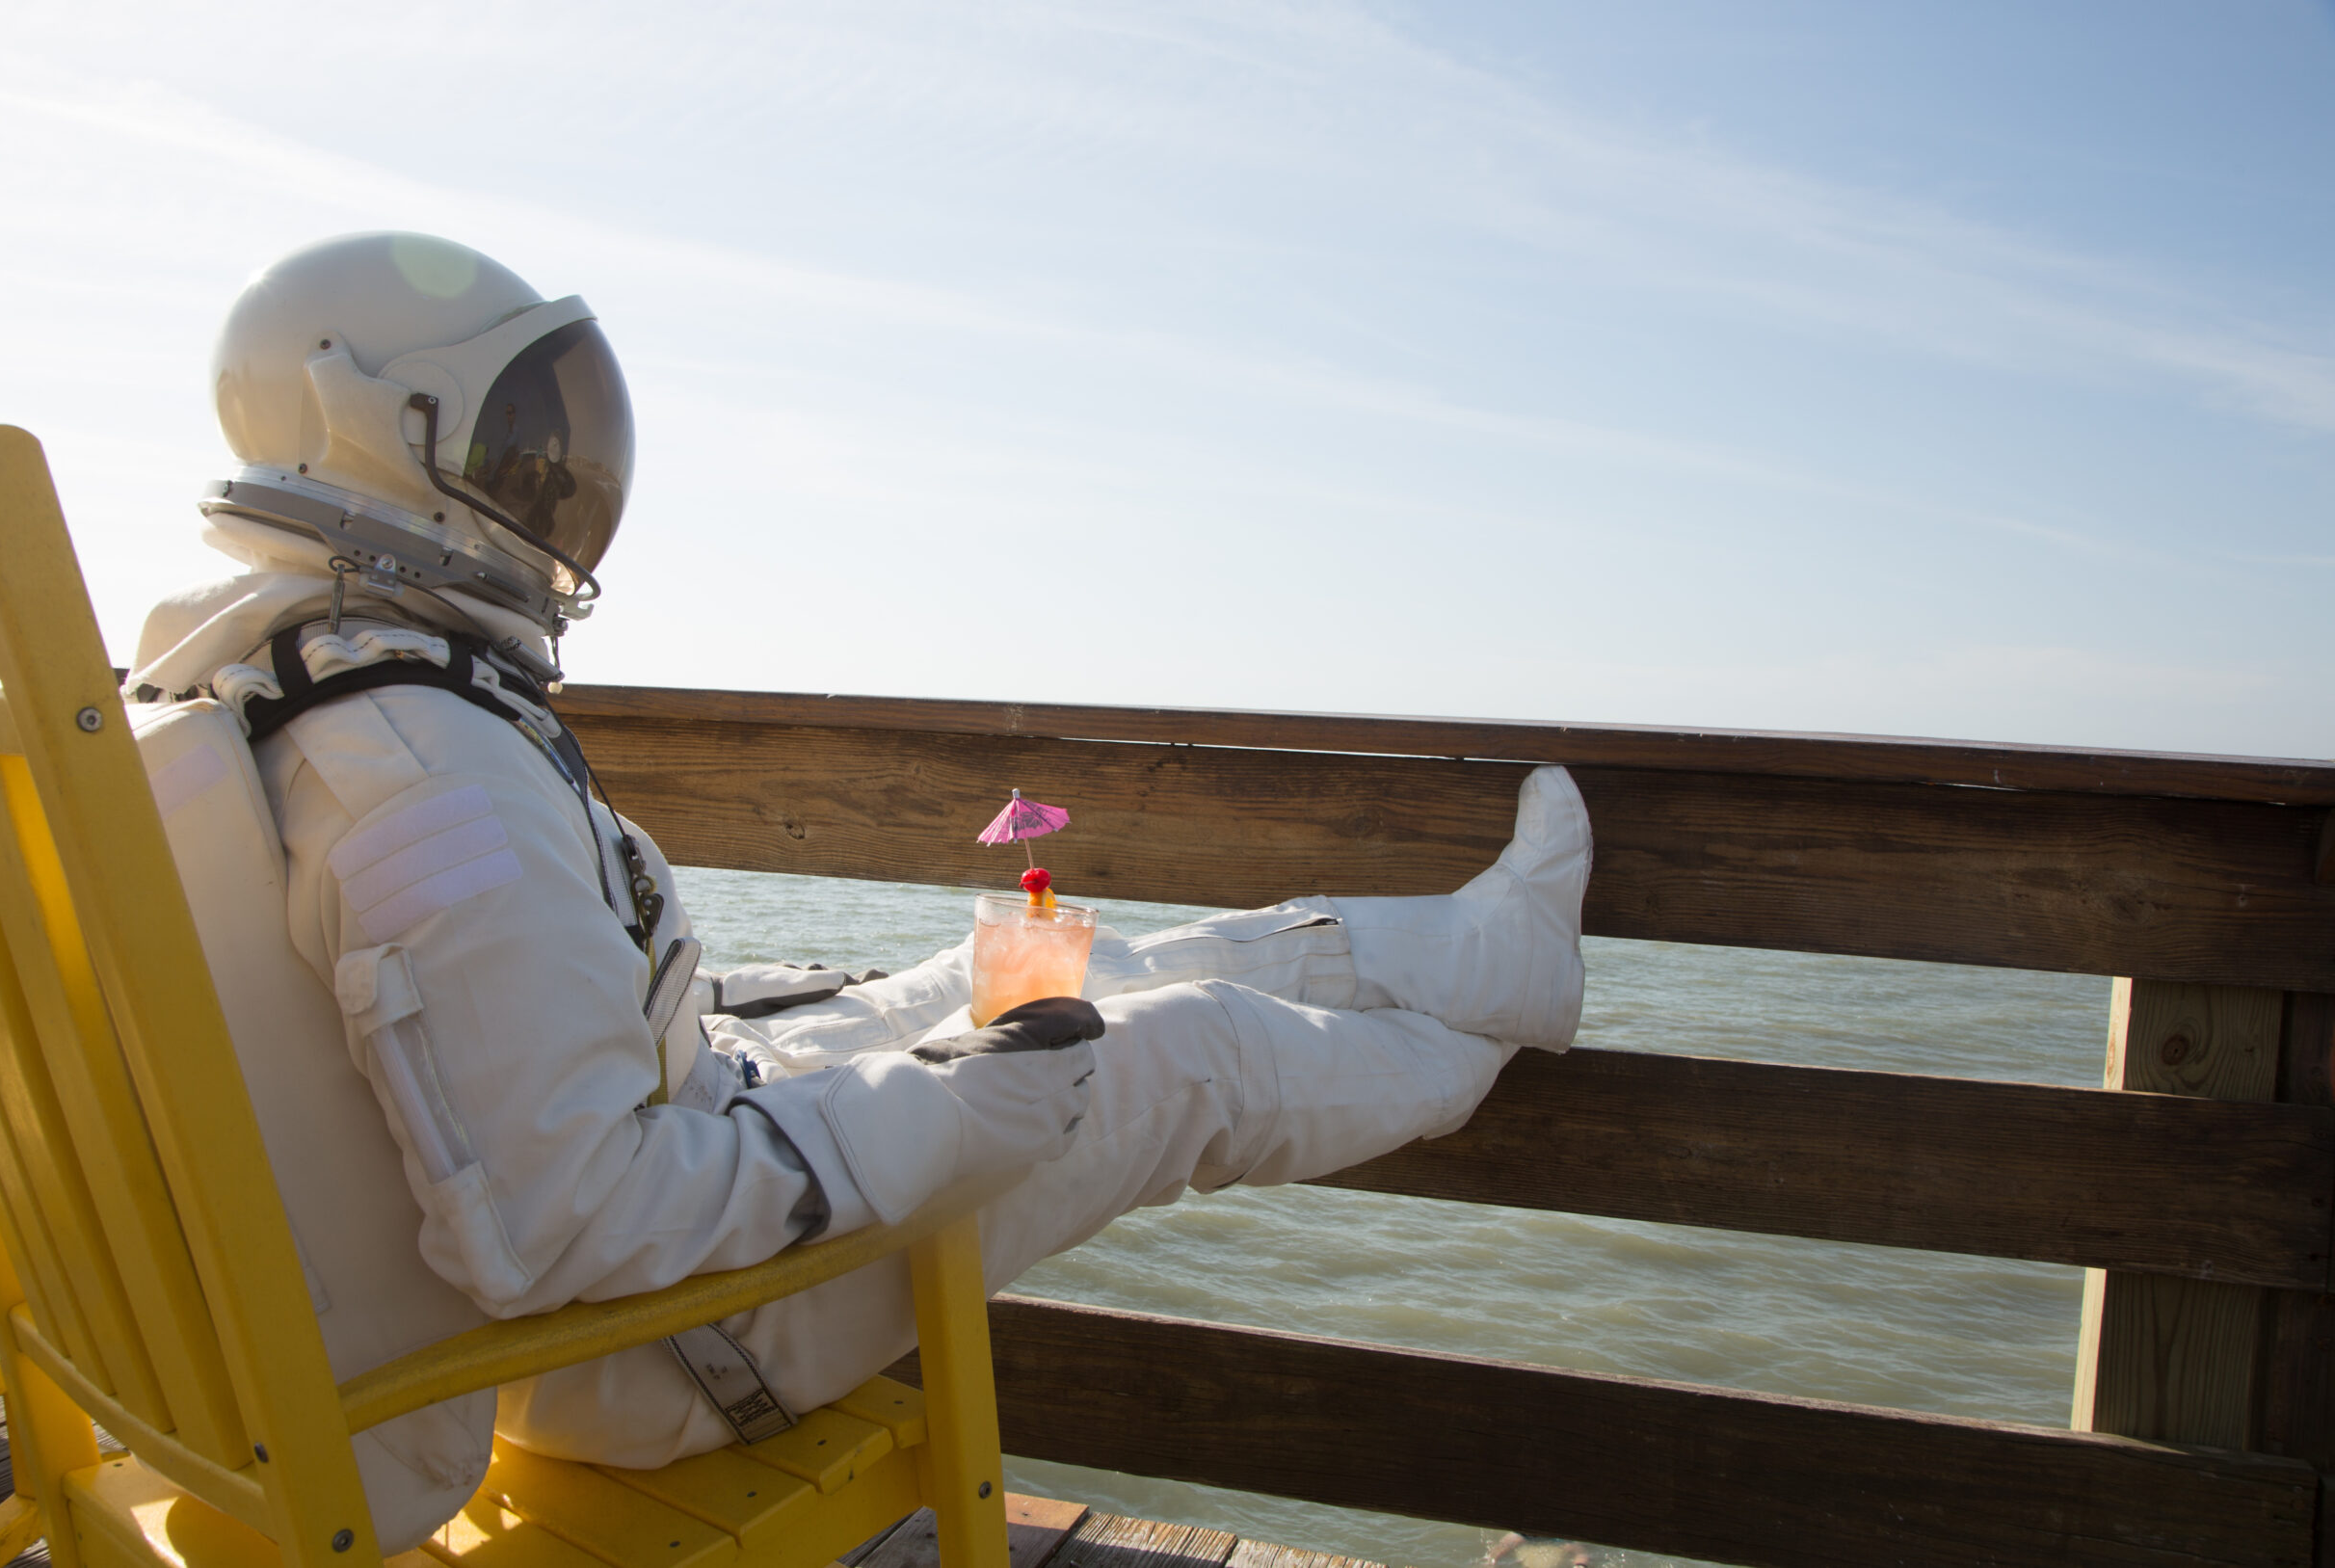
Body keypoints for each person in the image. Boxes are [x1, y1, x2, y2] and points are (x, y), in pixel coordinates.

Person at [123, 231, 1592, 1551]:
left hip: (630, 1254)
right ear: (368, 429)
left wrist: (917, 1064)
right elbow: (568, 1219)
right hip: (665, 1344)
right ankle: (1473, 1052)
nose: (558, 478)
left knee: (1017, 966)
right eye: (518, 435)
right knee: (1181, 1049)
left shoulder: (264, 700)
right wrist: (957, 1108)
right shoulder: (421, 769)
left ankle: (1480, 955)